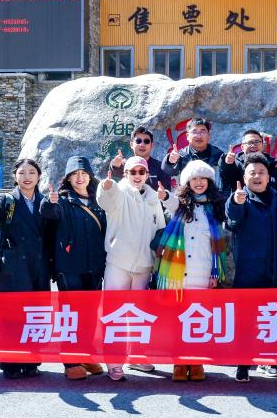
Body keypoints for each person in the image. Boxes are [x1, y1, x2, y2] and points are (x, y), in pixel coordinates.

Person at [0, 158, 54, 379]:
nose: (27, 177)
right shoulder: (7, 199)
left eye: (32, 172)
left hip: (39, 265)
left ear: (39, 176)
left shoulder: (45, 200)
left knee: (36, 314)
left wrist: (54, 206)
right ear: (15, 176)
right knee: (11, 315)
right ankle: (11, 362)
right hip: (14, 265)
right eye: (22, 172)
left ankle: (32, 361)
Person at [154, 160, 230, 383]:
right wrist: (164, 196)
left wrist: (215, 274)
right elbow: (171, 201)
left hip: (203, 273)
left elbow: (218, 248)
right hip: (178, 275)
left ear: (209, 182)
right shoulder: (181, 206)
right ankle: (178, 362)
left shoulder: (215, 209)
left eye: (202, 178)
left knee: (198, 320)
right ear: (187, 182)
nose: (198, 182)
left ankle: (196, 361)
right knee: (177, 320)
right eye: (194, 178)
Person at [98, 155, 169, 381]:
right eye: (133, 172)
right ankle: (114, 361)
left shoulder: (153, 197)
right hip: (118, 262)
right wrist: (106, 187)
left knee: (139, 314)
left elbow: (160, 228)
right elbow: (107, 200)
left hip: (144, 265)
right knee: (114, 313)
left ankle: (137, 355)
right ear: (126, 174)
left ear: (147, 174)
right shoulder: (119, 191)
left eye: (141, 172)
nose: (137, 176)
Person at [225, 153, 277, 381]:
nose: (257, 176)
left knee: (272, 318)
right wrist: (235, 202)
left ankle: (269, 360)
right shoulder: (240, 199)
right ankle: (243, 363)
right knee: (246, 319)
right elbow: (232, 220)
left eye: (261, 172)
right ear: (244, 177)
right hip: (248, 271)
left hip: (275, 269)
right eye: (252, 173)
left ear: (269, 176)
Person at [43, 157, 108, 380]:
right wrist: (49, 203)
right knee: (71, 315)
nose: (80, 178)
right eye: (75, 174)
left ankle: (86, 355)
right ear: (68, 178)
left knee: (90, 313)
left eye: (83, 173)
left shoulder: (99, 200)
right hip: (69, 266)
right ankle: (70, 361)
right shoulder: (61, 201)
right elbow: (48, 214)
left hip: (95, 265)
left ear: (90, 176)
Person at [218, 127, 277, 195]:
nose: (253, 145)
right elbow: (227, 180)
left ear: (262, 146)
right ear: (242, 147)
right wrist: (228, 165)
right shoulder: (235, 164)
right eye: (249, 143)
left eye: (257, 142)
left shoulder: (271, 164)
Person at [162, 117, 224, 187]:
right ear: (187, 136)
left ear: (208, 135)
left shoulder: (218, 155)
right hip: (188, 193)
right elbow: (168, 171)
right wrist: (170, 161)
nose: (199, 136)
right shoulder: (181, 155)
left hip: (214, 193)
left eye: (203, 131)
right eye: (194, 132)